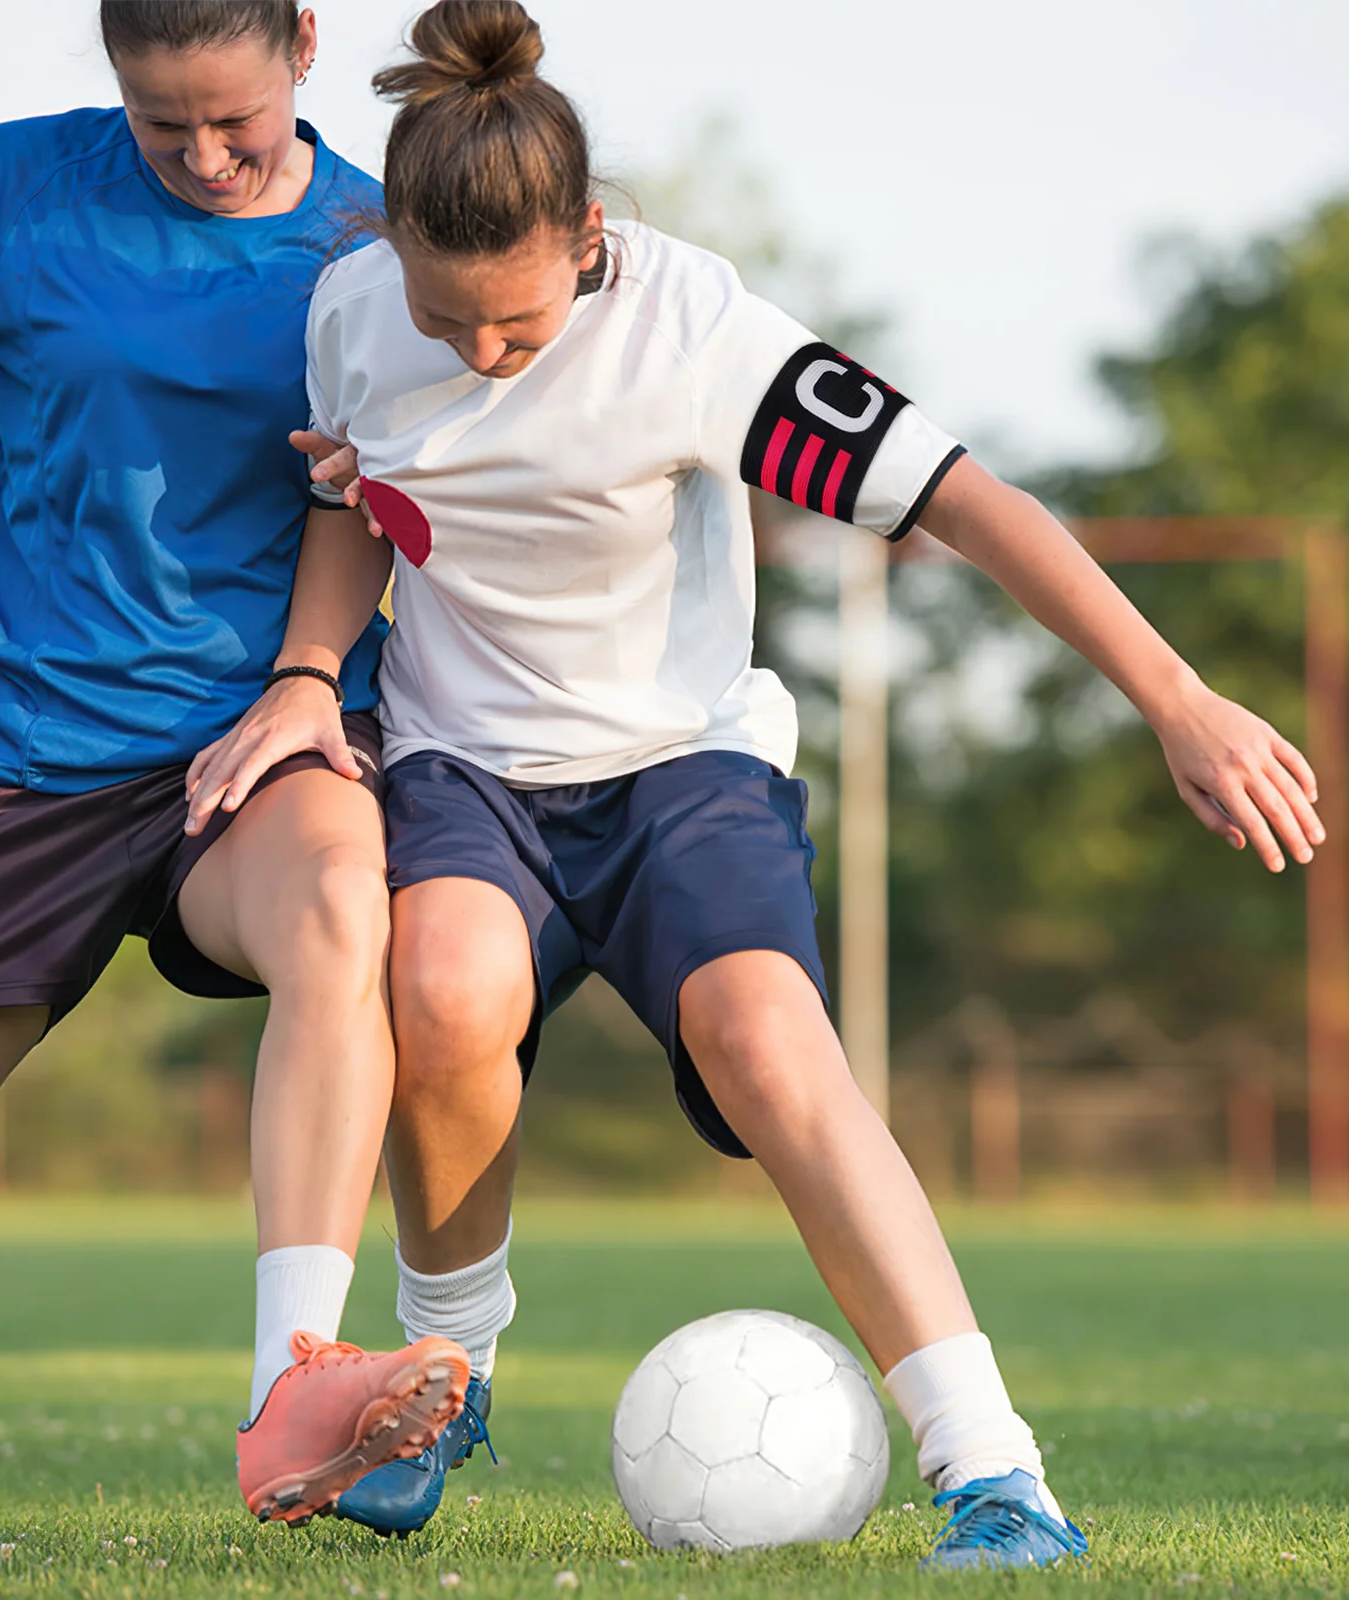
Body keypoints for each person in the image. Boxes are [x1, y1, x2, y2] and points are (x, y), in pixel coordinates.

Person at [188, 0, 1327, 1570]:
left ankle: (994, 1469)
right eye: (450, 327)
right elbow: (358, 498)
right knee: (442, 991)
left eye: (514, 326)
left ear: (589, 236)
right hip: (466, 765)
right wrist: (307, 680)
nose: (483, 356)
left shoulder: (703, 336)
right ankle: (448, 1377)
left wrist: (1177, 697)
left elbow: (968, 502)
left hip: (680, 766)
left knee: (767, 1040)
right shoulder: (353, 309)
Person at [0, 0, 471, 1543]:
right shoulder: (17, 194)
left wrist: (306, 680)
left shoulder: (374, 251)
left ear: (305, 49)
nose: (205, 156)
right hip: (21, 761)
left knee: (347, 900)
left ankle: (300, 1379)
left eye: (239, 122)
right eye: (164, 126)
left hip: (259, 744)